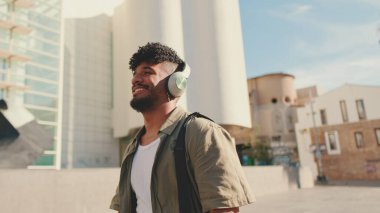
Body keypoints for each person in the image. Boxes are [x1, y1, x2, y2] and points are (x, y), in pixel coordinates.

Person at [110, 42, 255, 213]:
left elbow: (224, 209)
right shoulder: (132, 148)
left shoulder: (202, 133)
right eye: (135, 74)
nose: (135, 79)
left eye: (147, 72)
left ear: (176, 83)